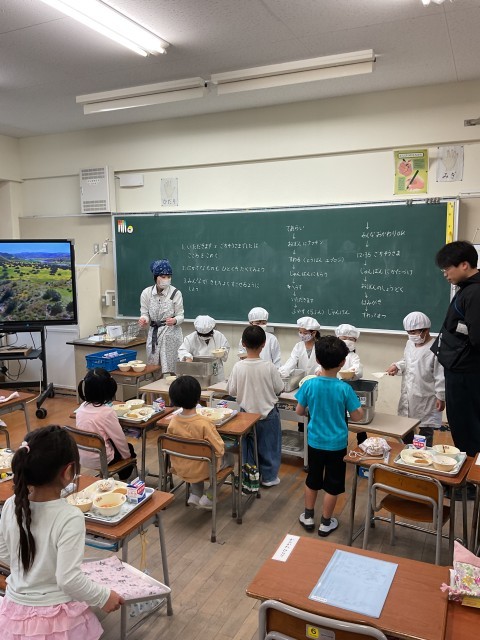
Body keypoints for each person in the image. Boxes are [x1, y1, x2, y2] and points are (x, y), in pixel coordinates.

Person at [0, 425, 123, 640]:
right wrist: (104, 597)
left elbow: (3, 551)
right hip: (56, 619)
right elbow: (68, 580)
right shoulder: (69, 516)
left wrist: (32, 570)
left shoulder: (12, 504)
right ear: (67, 472)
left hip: (15, 612)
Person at [296, 336, 363, 536]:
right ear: (343, 362)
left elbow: (299, 411)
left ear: (317, 360)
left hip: (315, 441)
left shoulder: (309, 385)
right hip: (337, 445)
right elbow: (358, 416)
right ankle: (326, 522)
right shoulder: (345, 388)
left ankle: (308, 516)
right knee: (333, 484)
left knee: (312, 479)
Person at [433, 240, 480, 457]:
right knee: (463, 425)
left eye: (447, 268)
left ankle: (471, 474)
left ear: (464, 265)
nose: (445, 274)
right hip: (460, 369)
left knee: (467, 427)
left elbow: (477, 338)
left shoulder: (474, 293)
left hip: (466, 373)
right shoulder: (466, 290)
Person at [227, 325, 284, 487]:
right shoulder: (269, 366)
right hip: (268, 414)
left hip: (247, 415)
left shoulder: (238, 366)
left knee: (248, 447)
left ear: (243, 344)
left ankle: (251, 477)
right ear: (264, 344)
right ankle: (269, 477)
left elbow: (231, 390)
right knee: (270, 446)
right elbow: (279, 388)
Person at [386, 312, 445, 448]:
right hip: (409, 393)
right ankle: (407, 452)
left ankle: (422, 455)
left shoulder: (436, 347)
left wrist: (441, 396)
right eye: (409, 332)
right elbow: (407, 361)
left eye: (414, 332)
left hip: (426, 396)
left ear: (426, 330)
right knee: (406, 426)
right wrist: (397, 366)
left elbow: (440, 374)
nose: (411, 335)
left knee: (425, 430)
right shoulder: (410, 343)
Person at [167, 375, 226, 509]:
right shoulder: (204, 423)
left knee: (194, 457)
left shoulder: (173, 421)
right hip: (202, 469)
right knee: (229, 459)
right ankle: (209, 496)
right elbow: (219, 449)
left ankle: (196, 494)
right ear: (198, 397)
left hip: (182, 467)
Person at [76, 368, 136, 480]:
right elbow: (119, 438)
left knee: (110, 442)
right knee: (129, 449)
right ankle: (126, 478)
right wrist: (127, 458)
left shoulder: (81, 408)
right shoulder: (107, 412)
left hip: (82, 457)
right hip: (102, 459)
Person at [138, 259, 184, 375]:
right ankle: (155, 386)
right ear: (155, 277)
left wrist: (174, 320)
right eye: (163, 276)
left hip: (171, 334)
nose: (166, 279)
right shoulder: (146, 293)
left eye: (168, 276)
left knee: (171, 367)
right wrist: (144, 319)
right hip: (154, 333)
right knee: (154, 367)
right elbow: (144, 313)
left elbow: (181, 315)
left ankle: (172, 386)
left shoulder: (175, 293)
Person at [178, 315, 230, 383]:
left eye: (207, 335)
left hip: (216, 370)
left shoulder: (219, 335)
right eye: (202, 335)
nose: (205, 338)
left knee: (216, 387)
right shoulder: (190, 338)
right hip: (198, 371)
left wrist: (222, 352)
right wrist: (188, 357)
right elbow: (182, 350)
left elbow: (225, 347)